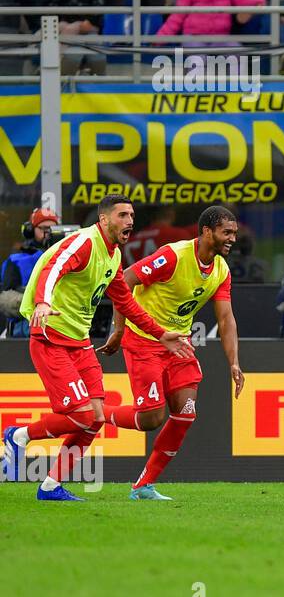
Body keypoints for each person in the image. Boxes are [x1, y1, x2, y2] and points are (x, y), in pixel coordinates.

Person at [0, 194, 193, 500]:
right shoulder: (85, 243)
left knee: (97, 416)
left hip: (79, 343)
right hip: (51, 338)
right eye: (122, 215)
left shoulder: (113, 254)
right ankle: (19, 435)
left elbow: (126, 302)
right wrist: (42, 302)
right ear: (104, 219)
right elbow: (52, 267)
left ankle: (51, 486)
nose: (130, 220)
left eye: (131, 215)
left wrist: (160, 333)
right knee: (82, 415)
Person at [94, 206, 243, 501]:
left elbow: (226, 319)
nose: (232, 239)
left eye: (234, 233)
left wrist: (234, 363)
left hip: (179, 343)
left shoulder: (221, 271)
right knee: (150, 418)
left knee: (186, 412)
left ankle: (143, 486)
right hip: (143, 339)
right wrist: (119, 328)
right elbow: (124, 280)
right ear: (207, 231)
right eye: (227, 232)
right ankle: (94, 412)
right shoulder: (173, 255)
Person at [0, 209, 59, 338]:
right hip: (26, 329)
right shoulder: (16, 260)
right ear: (30, 231)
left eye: (52, 230)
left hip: (61, 327)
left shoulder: (68, 258)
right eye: (43, 229)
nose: (48, 234)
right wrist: (37, 303)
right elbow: (5, 299)